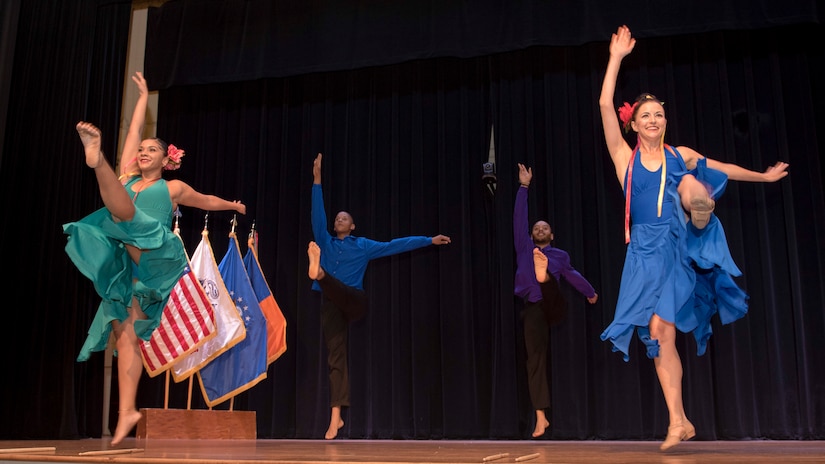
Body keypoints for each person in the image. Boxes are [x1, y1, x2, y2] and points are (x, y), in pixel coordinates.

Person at [597, 25, 789, 450]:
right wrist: (616, 58)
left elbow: (723, 165)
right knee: (658, 332)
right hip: (642, 253)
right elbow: (605, 104)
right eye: (645, 115)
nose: (653, 119)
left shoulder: (676, 153)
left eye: (658, 115)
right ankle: (679, 420)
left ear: (665, 121)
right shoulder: (623, 158)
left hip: (676, 244)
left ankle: (701, 211)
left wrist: (761, 176)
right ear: (634, 125)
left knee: (690, 181)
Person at [63, 72, 246, 446]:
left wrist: (233, 205)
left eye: (152, 150)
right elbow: (132, 130)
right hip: (131, 268)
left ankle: (95, 163)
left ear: (167, 160)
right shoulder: (128, 177)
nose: (143, 152)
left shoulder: (172, 187)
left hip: (159, 254)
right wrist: (143, 96)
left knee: (124, 214)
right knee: (124, 331)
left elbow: (206, 200)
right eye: (141, 149)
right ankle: (127, 411)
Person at [307, 153, 451, 440]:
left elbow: (395, 244)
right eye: (337, 218)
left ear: (353, 226)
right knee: (336, 357)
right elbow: (317, 214)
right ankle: (336, 418)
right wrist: (317, 180)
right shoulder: (325, 240)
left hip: (354, 301)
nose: (338, 220)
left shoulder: (363, 246)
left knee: (333, 285)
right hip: (332, 304)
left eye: (344, 218)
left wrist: (428, 240)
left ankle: (319, 274)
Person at [513, 163, 598, 438]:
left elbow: (574, 276)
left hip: (553, 304)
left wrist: (590, 293)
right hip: (535, 309)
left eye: (544, 228)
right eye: (536, 227)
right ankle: (541, 417)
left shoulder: (560, 254)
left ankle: (544, 276)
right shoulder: (524, 248)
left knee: (549, 283)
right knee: (534, 360)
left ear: (552, 235)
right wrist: (523, 187)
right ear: (530, 235)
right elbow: (518, 218)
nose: (539, 229)